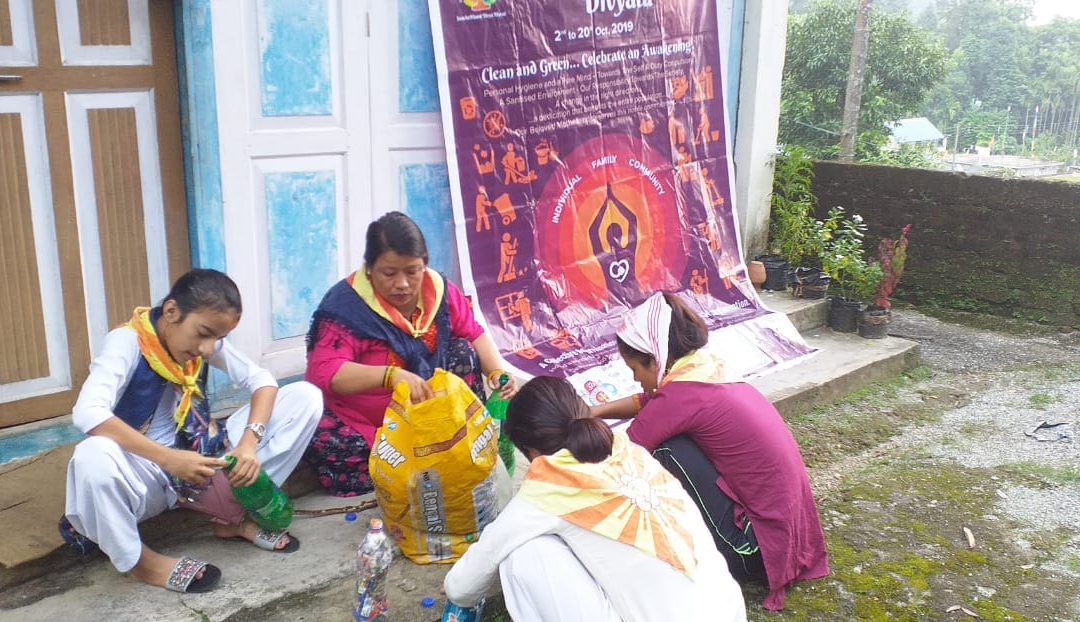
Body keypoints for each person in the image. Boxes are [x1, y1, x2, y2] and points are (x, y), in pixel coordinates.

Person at [61, 269, 322, 593]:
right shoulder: (127, 341)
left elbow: (263, 382)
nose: (208, 349)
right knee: (91, 456)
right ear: (172, 312)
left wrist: (248, 445)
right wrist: (170, 459)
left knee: (306, 397)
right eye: (203, 333)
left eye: (217, 338)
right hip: (143, 472)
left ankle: (232, 517)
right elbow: (88, 412)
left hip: (201, 460)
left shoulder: (202, 344)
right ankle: (140, 563)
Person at [592, 292, 829, 611]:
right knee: (676, 440)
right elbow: (653, 402)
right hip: (790, 539)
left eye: (635, 368)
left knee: (666, 450)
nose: (635, 377)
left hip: (755, 551)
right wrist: (593, 412)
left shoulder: (682, 395)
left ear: (656, 356)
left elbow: (621, 455)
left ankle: (693, 552)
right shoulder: (708, 372)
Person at [443, 376, 747, 622]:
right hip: (730, 612)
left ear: (531, 452)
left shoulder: (547, 488)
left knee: (523, 553)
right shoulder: (631, 451)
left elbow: (460, 587)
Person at [304, 211, 518, 496]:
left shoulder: (439, 290)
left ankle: (446, 446)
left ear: (424, 265)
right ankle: (421, 460)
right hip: (370, 422)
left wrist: (497, 372)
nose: (402, 284)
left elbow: (472, 332)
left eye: (412, 271)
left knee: (462, 352)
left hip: (430, 405)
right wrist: (390, 376)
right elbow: (325, 372)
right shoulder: (345, 306)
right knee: (322, 435)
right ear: (369, 269)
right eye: (389, 273)